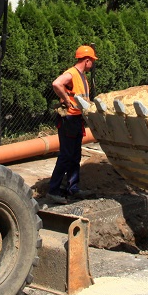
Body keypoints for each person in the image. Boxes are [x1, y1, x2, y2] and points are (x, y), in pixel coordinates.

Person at [46, 45, 97, 204]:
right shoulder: (72, 73)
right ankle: (53, 190)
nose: (93, 64)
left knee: (75, 155)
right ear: (87, 60)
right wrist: (67, 101)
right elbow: (56, 84)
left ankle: (73, 188)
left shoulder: (82, 75)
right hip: (68, 120)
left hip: (76, 120)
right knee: (66, 156)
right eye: (92, 61)